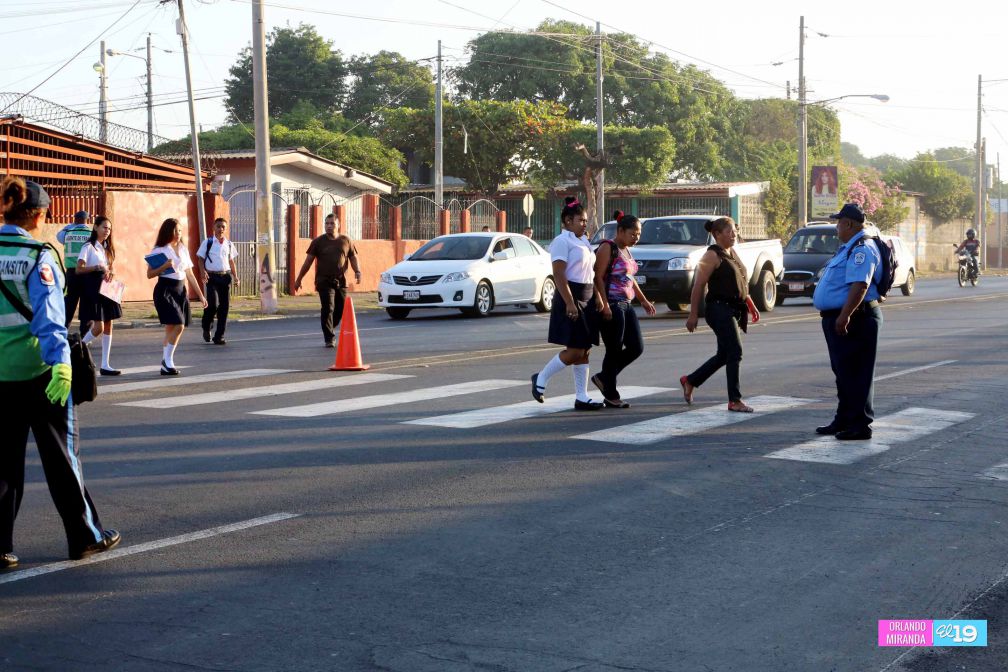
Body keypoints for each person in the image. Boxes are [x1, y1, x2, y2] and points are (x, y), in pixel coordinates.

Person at [0, 177, 120, 568]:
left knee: (2, 464)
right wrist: (62, 368)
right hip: (40, 372)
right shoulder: (38, 255)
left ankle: (0, 547)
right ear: (37, 214)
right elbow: (51, 322)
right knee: (62, 459)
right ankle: (85, 536)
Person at [812, 203, 883, 441]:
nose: (836, 227)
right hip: (843, 317)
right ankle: (843, 419)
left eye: (839, 222)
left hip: (856, 318)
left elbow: (860, 285)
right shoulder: (849, 247)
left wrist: (844, 316)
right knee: (843, 372)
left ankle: (860, 424)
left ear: (850, 224)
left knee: (857, 373)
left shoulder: (863, 248)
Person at [530, 196, 604, 411]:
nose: (584, 223)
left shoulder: (583, 240)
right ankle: (541, 378)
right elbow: (559, 273)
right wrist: (569, 302)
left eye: (585, 220)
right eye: (580, 220)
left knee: (585, 350)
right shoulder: (562, 241)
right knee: (573, 350)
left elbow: (589, 272)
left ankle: (582, 396)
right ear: (567, 221)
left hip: (588, 295)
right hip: (570, 295)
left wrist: (597, 296)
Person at [680, 216, 760, 413]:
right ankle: (735, 400)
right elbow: (698, 285)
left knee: (724, 354)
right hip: (718, 309)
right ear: (716, 234)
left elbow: (741, 280)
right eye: (729, 232)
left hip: (732, 308)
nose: (733, 235)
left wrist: (750, 303)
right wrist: (693, 315)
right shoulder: (711, 256)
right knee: (735, 352)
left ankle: (691, 380)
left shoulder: (731, 252)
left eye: (735, 231)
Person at [590, 211, 656, 408]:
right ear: (620, 231)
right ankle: (610, 393)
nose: (636, 237)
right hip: (612, 304)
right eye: (633, 233)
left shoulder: (626, 250)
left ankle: (604, 377)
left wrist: (643, 300)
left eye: (638, 234)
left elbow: (629, 277)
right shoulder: (607, 248)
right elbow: (597, 277)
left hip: (627, 304)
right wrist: (604, 303)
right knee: (614, 349)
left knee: (636, 347)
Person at [147, 218, 207, 375]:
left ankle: (165, 363)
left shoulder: (182, 249)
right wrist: (164, 266)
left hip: (180, 291)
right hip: (165, 290)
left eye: (180, 230)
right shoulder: (159, 250)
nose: (178, 234)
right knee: (179, 324)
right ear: (167, 231)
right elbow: (149, 274)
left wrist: (201, 296)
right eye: (175, 230)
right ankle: (168, 362)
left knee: (171, 328)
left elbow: (190, 274)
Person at [294, 214, 361, 348]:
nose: (329, 226)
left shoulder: (346, 240)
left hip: (341, 281)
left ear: (338, 225)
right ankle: (329, 338)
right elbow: (308, 262)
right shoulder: (318, 242)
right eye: (326, 223)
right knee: (328, 307)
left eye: (332, 223)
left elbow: (353, 258)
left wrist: (358, 271)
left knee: (340, 309)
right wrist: (299, 279)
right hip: (323, 281)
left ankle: (329, 325)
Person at [76, 215, 122, 375]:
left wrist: (111, 273)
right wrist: (96, 268)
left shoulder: (107, 248)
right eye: (104, 227)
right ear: (95, 227)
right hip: (92, 287)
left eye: (109, 228)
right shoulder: (88, 247)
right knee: (99, 326)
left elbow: (110, 268)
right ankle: (78, 347)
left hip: (107, 287)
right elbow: (79, 269)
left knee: (109, 324)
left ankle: (105, 364)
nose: (107, 231)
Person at [197, 217, 240, 345]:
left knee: (224, 307)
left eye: (223, 227)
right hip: (212, 278)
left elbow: (231, 261)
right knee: (213, 305)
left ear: (226, 229)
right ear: (213, 228)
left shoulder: (229, 244)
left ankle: (219, 336)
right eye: (218, 226)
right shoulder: (208, 242)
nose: (221, 229)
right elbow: (200, 258)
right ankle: (206, 326)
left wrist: (236, 277)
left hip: (225, 277)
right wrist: (202, 271)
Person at [55, 210, 91, 329]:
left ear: (75, 219)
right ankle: (84, 337)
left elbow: (58, 236)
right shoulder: (91, 234)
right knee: (86, 306)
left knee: (68, 305)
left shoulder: (68, 233)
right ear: (87, 220)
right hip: (87, 273)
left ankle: (63, 332)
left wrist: (70, 226)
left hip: (71, 274)